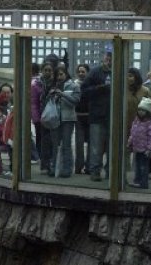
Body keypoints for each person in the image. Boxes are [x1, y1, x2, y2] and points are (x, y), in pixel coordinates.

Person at [81, 50, 112, 181]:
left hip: (113, 116)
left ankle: (111, 171)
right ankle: (95, 171)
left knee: (112, 146)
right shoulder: (94, 72)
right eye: (108, 58)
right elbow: (84, 90)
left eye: (112, 58)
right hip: (97, 115)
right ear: (104, 58)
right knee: (96, 146)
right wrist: (100, 88)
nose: (109, 61)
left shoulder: (119, 71)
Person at [48, 66, 80, 178]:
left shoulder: (74, 86)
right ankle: (55, 168)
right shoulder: (53, 86)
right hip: (55, 118)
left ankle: (67, 169)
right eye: (57, 75)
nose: (59, 77)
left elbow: (75, 101)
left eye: (61, 74)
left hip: (68, 119)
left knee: (66, 144)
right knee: (55, 144)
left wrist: (62, 94)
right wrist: (51, 95)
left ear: (66, 74)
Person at [128, 97, 151, 189]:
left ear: (148, 112)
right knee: (138, 166)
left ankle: (143, 183)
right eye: (140, 109)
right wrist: (130, 142)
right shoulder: (136, 121)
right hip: (137, 148)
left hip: (145, 150)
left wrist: (150, 149)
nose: (141, 112)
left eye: (143, 110)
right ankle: (137, 181)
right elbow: (133, 133)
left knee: (143, 167)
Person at [32, 61, 55, 173]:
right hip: (41, 117)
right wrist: (36, 118)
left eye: (49, 70)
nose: (47, 72)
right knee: (42, 141)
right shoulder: (36, 84)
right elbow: (34, 103)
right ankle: (44, 164)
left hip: (53, 116)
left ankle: (50, 163)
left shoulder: (56, 83)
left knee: (51, 141)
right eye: (45, 70)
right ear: (42, 71)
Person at [74, 63, 90, 174]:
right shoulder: (74, 85)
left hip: (89, 116)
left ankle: (89, 166)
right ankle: (78, 166)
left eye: (83, 71)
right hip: (78, 117)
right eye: (79, 71)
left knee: (91, 144)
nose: (81, 73)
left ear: (87, 73)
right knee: (79, 143)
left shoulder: (91, 84)